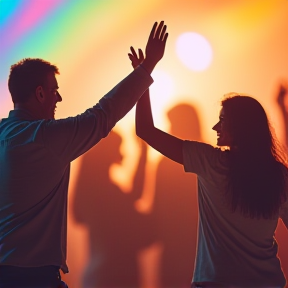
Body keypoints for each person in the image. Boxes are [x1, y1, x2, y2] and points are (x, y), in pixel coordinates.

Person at [0, 21, 168, 288]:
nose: (59, 98)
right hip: (33, 277)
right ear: (40, 93)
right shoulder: (44, 138)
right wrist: (147, 67)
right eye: (54, 90)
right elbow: (102, 115)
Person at [128, 47, 288, 288]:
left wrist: (144, 73)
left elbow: (145, 130)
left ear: (240, 127)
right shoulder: (279, 175)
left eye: (223, 120)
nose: (215, 126)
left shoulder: (209, 161)